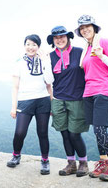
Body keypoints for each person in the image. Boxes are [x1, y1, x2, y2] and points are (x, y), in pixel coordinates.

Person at [74, 14, 108, 181]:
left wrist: (102, 56)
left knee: (100, 130)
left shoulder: (103, 42)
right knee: (97, 132)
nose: (84, 29)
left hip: (104, 92)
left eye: (87, 26)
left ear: (94, 27)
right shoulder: (87, 48)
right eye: (81, 28)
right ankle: (103, 162)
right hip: (89, 93)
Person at [7, 34, 54, 175]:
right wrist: (13, 106)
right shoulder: (19, 62)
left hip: (43, 100)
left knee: (42, 133)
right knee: (20, 132)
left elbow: (49, 83)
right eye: (28, 44)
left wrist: (52, 103)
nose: (31, 47)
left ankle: (45, 161)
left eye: (34, 44)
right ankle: (16, 155)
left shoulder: (45, 60)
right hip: (24, 101)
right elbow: (15, 86)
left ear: (38, 47)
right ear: (24, 45)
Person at [46, 26, 90, 177]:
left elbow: (90, 70)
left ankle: (83, 163)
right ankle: (71, 164)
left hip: (77, 99)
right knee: (64, 134)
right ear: (53, 41)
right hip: (58, 100)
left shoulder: (79, 52)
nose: (59, 40)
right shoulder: (50, 57)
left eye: (62, 36)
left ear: (68, 37)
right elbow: (47, 81)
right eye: (56, 38)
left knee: (74, 134)